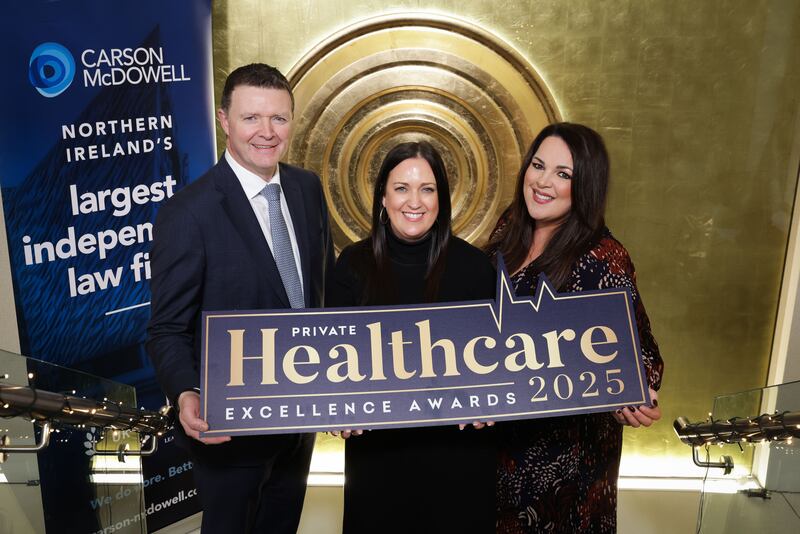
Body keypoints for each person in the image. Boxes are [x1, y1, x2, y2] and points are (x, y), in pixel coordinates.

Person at [146, 63, 334, 533]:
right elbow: (167, 328)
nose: (267, 133)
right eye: (252, 118)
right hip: (230, 432)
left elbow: (320, 292)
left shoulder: (307, 189)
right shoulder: (187, 214)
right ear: (225, 120)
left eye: (279, 118)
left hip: (300, 419)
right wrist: (185, 390)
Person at [486, 122, 664, 533]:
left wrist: (631, 393)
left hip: (564, 475)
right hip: (501, 456)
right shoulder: (510, 225)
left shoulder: (604, 258)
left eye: (563, 174)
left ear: (585, 186)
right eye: (538, 166)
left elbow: (645, 358)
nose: (543, 182)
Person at [326, 141, 497, 533]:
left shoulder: (475, 268)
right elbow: (331, 370)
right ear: (383, 198)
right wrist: (336, 410)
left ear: (442, 200)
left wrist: (493, 403)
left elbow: (498, 370)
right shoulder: (352, 265)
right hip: (378, 465)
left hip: (459, 465)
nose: (413, 201)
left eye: (427, 189)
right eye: (401, 188)